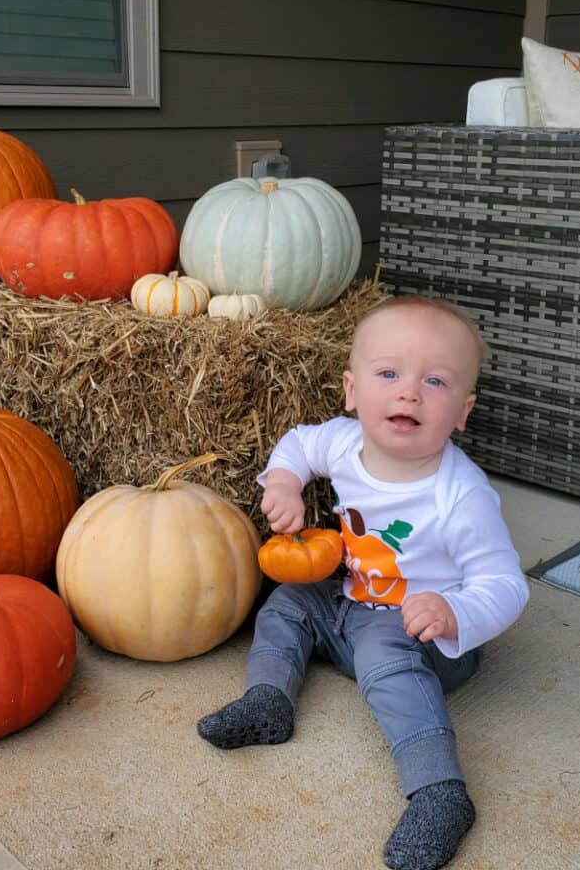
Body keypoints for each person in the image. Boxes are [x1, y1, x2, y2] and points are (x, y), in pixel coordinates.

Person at [197, 294, 529, 870]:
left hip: (425, 637)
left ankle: (439, 791)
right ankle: (268, 699)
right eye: (390, 373)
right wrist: (282, 484)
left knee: (381, 649)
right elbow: (299, 444)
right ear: (352, 392)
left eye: (435, 381)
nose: (409, 392)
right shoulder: (344, 442)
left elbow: (505, 582)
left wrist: (456, 614)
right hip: (350, 601)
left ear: (463, 412)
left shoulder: (461, 494)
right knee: (286, 604)